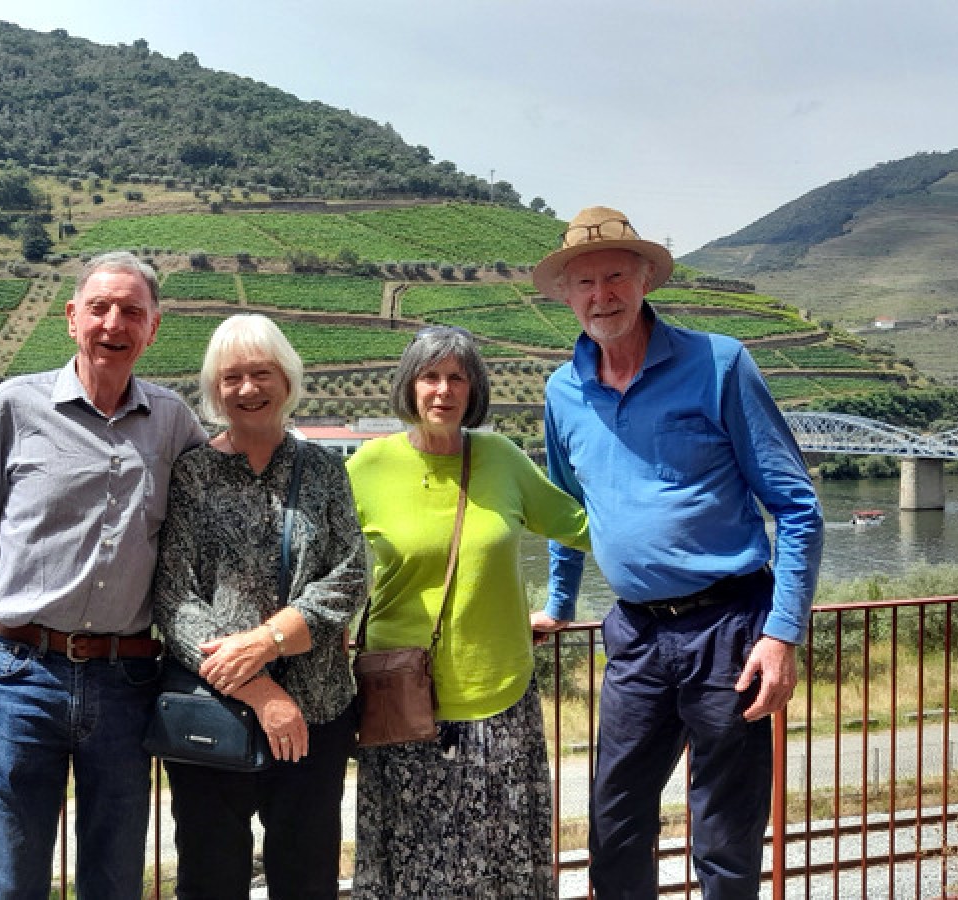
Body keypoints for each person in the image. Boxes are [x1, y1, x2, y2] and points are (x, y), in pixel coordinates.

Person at [534, 206, 825, 898]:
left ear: (643, 282)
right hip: (634, 633)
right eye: (585, 283)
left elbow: (798, 507)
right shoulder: (561, 391)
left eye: (613, 277)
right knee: (615, 824)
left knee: (725, 833)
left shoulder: (718, 363)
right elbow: (568, 508)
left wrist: (782, 634)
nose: (600, 295)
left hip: (730, 629)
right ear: (567, 296)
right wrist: (557, 603)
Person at [0, 251, 206, 899]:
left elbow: (220, 518)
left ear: (153, 329)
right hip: (20, 679)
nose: (114, 323)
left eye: (132, 312)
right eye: (100, 308)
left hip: (126, 682)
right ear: (70, 318)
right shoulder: (12, 406)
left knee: (114, 884)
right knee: (9, 884)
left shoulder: (173, 422)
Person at [346, 325, 591, 899]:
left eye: (458, 377)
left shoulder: (502, 459)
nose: (443, 390)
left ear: (474, 389)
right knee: (413, 868)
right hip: (400, 703)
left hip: (499, 698)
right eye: (430, 376)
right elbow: (322, 558)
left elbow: (580, 526)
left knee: (498, 867)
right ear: (409, 386)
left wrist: (681, 533)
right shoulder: (368, 467)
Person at [153, 313, 367, 900]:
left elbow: (350, 577)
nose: (248, 388)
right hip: (210, 715)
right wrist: (260, 688)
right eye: (232, 377)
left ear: (288, 379)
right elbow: (174, 595)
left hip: (317, 715)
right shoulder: (193, 473)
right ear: (214, 390)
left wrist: (268, 641)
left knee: (306, 878)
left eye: (262, 373)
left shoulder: (324, 470)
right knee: (210, 878)